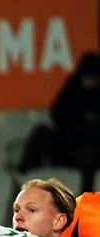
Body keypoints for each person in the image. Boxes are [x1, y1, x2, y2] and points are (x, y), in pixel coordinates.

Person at [20, 53, 100, 187]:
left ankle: (87, 194)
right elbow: (57, 114)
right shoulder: (72, 88)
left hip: (89, 149)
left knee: (89, 156)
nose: (90, 81)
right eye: (87, 77)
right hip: (67, 146)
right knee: (42, 133)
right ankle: (23, 179)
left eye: (93, 78)